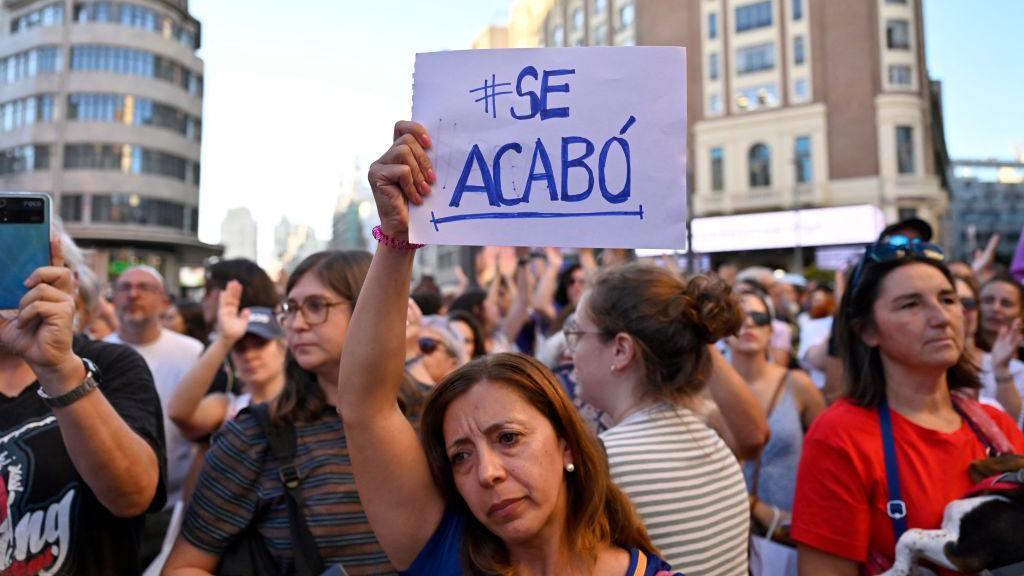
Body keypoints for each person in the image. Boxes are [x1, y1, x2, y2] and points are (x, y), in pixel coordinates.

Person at [336, 121, 682, 575]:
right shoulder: (444, 551)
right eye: (461, 455)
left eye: (509, 438)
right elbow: (366, 406)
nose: (487, 473)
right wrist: (397, 242)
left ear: (568, 447)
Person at [791, 235, 1024, 574]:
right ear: (867, 331)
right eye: (910, 304)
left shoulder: (996, 428)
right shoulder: (840, 437)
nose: (940, 317)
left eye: (948, 299)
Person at [165, 250, 396, 575]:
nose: (298, 324)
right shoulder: (253, 435)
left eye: (317, 307)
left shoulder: (433, 418)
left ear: (370, 307)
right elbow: (184, 566)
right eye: (291, 309)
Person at [569, 262, 765, 575]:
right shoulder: (714, 445)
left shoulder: (602, 464)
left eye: (576, 334)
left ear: (621, 350)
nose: (571, 352)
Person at [0, 237, 166, 575]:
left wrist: (58, 368)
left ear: (67, 281)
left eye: (19, 265)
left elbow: (133, 496)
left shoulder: (112, 363)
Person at [105, 265, 204, 564]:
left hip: (174, 508)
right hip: (104, 504)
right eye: (124, 287)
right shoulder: (92, 353)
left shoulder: (193, 352)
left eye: (144, 287)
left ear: (164, 300)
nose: (133, 294)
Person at [727, 290, 824, 538]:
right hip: (730, 525)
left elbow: (827, 454)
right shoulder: (705, 388)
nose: (748, 323)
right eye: (739, 317)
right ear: (724, 331)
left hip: (790, 526)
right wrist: (753, 506)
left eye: (758, 318)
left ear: (771, 331)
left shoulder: (797, 384)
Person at [168, 281, 287, 440]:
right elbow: (178, 413)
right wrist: (224, 340)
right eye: (240, 348)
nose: (249, 355)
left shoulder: (308, 404)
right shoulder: (228, 407)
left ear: (283, 348)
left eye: (260, 345)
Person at [955, 276, 1023, 424]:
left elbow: (1009, 429)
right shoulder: (924, 363)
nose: (960, 310)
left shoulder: (1015, 368)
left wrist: (1001, 369)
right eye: (949, 301)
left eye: (968, 303)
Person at [976, 273, 1024, 363]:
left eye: (1006, 303)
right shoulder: (960, 352)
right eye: (988, 300)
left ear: (1021, 313)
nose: (995, 308)